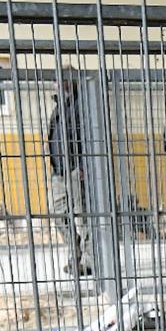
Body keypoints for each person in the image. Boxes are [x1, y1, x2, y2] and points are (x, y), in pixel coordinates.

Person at [46, 75, 95, 278]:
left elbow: (91, 134)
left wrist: (84, 165)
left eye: (59, 79)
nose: (56, 83)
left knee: (82, 215)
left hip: (76, 168)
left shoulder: (82, 103)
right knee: (57, 212)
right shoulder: (60, 106)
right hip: (59, 170)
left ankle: (89, 261)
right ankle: (75, 251)